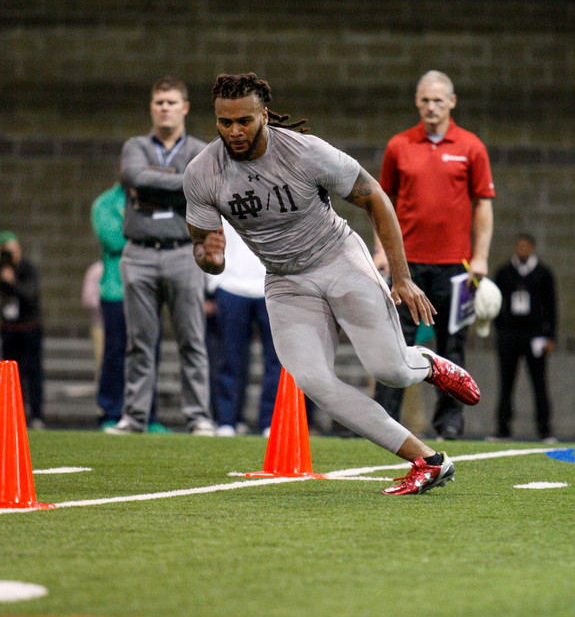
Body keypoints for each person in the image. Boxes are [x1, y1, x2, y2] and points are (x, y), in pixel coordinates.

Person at [183, 71, 481, 496]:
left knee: (390, 370)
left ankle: (429, 364)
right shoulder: (202, 173)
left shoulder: (305, 152)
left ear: (264, 115)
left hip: (338, 259)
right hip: (285, 280)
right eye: (224, 122)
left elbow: (375, 196)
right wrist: (210, 258)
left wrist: (402, 277)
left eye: (244, 121)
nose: (234, 131)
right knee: (316, 383)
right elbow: (203, 251)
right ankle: (429, 460)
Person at [372, 69, 495, 439]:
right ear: (416, 102)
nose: (431, 106)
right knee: (394, 340)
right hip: (405, 267)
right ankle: (385, 420)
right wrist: (381, 251)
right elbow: (381, 203)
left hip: (456, 268)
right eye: (425, 99)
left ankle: (450, 423)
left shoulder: (471, 146)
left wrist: (481, 258)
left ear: (452, 102)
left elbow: (484, 207)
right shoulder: (399, 146)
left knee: (452, 345)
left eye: (438, 100)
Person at [105, 77, 215, 436]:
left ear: (185, 107)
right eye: (158, 102)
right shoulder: (135, 145)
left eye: (171, 102)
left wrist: (155, 185)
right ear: (151, 107)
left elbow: (202, 186)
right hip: (138, 254)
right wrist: (182, 183)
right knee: (139, 341)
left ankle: (198, 417)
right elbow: (136, 177)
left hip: (184, 253)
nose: (164, 108)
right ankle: (135, 417)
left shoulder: (202, 149)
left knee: (192, 339)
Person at [91, 176, 168, 433]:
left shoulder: (151, 199)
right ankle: (110, 412)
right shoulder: (104, 203)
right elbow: (113, 239)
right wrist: (147, 234)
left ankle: (148, 414)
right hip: (116, 290)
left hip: (149, 291)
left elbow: (164, 232)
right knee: (115, 352)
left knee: (150, 352)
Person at [205, 217, 281, 437]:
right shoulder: (224, 186)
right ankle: (227, 420)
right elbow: (208, 235)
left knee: (276, 359)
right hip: (231, 285)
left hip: (271, 284)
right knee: (229, 358)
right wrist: (213, 283)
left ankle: (270, 421)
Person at [493, 233, 557, 441]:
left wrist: (550, 336)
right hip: (510, 335)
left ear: (532, 248)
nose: (522, 250)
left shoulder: (543, 274)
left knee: (539, 383)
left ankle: (544, 428)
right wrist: (500, 331)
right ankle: (503, 427)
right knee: (506, 383)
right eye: (519, 246)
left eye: (526, 247)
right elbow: (494, 304)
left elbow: (552, 307)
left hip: (535, 336)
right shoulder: (503, 273)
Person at [0, 231, 45, 429]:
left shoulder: (27, 268)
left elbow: (30, 294)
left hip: (29, 328)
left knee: (33, 371)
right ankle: (13, 414)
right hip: (9, 329)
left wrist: (12, 283)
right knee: (11, 373)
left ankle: (36, 414)